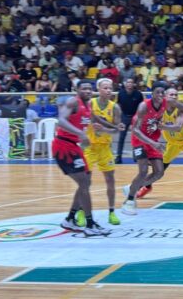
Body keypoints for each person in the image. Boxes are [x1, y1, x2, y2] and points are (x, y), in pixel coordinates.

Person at [121, 81, 183, 215]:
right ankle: (129, 201)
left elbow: (181, 106)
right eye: (157, 92)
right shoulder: (144, 106)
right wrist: (153, 143)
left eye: (162, 92)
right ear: (152, 93)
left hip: (153, 140)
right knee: (143, 170)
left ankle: (132, 187)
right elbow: (135, 130)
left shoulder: (167, 102)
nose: (160, 95)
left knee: (159, 172)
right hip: (139, 140)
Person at [53, 80, 110, 236]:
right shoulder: (73, 101)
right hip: (63, 146)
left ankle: (70, 219)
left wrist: (112, 127)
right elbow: (61, 120)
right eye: (83, 88)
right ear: (76, 90)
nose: (87, 91)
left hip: (74, 146)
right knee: (84, 183)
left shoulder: (88, 105)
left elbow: (94, 119)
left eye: (89, 89)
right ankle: (89, 223)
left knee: (86, 181)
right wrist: (80, 133)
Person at [135, 87, 183, 204]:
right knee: (159, 170)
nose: (174, 97)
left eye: (175, 95)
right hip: (172, 144)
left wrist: (160, 126)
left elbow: (178, 127)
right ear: (165, 96)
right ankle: (147, 187)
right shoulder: (159, 110)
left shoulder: (180, 110)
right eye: (171, 95)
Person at [79, 78, 125, 226]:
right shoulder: (90, 104)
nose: (108, 90)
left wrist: (105, 129)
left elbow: (117, 130)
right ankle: (81, 211)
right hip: (90, 147)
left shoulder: (115, 107)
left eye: (110, 87)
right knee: (85, 181)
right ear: (98, 90)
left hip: (105, 147)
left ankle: (111, 212)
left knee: (110, 180)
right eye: (105, 88)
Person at [115, 78, 144, 164]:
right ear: (125, 84)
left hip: (135, 117)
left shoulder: (138, 94)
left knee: (136, 138)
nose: (130, 84)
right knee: (121, 137)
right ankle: (118, 157)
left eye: (131, 82)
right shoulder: (121, 93)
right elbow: (118, 105)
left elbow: (142, 106)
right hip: (124, 117)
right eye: (128, 82)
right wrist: (119, 118)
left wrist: (139, 118)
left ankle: (136, 157)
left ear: (134, 84)